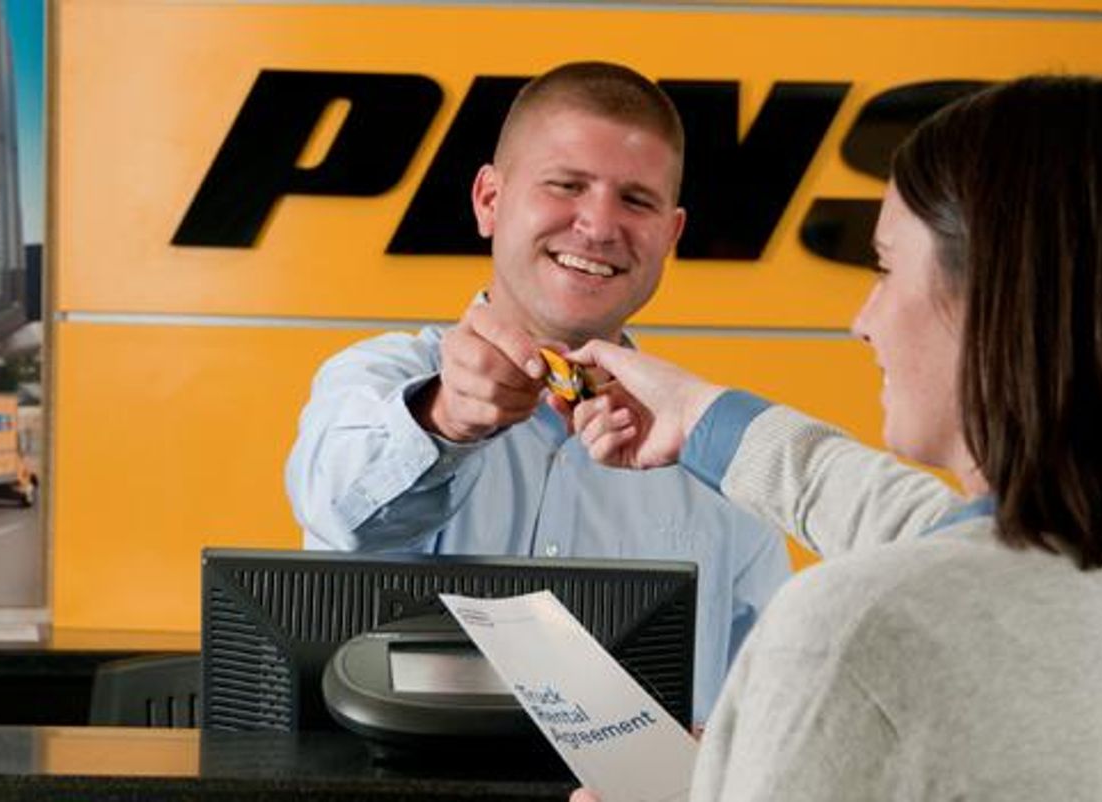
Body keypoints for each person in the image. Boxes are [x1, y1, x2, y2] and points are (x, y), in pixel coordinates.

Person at [285, 61, 959, 724]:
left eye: (635, 200)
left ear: (670, 236)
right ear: (489, 200)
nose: (600, 225)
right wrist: (443, 419)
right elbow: (339, 512)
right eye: (566, 185)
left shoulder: (712, 462)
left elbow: (757, 713)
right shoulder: (377, 381)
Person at [567, 74, 1102, 800]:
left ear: (998, 300)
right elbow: (940, 540)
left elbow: (930, 586)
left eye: (884, 267)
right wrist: (697, 415)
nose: (863, 319)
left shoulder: (859, 631)